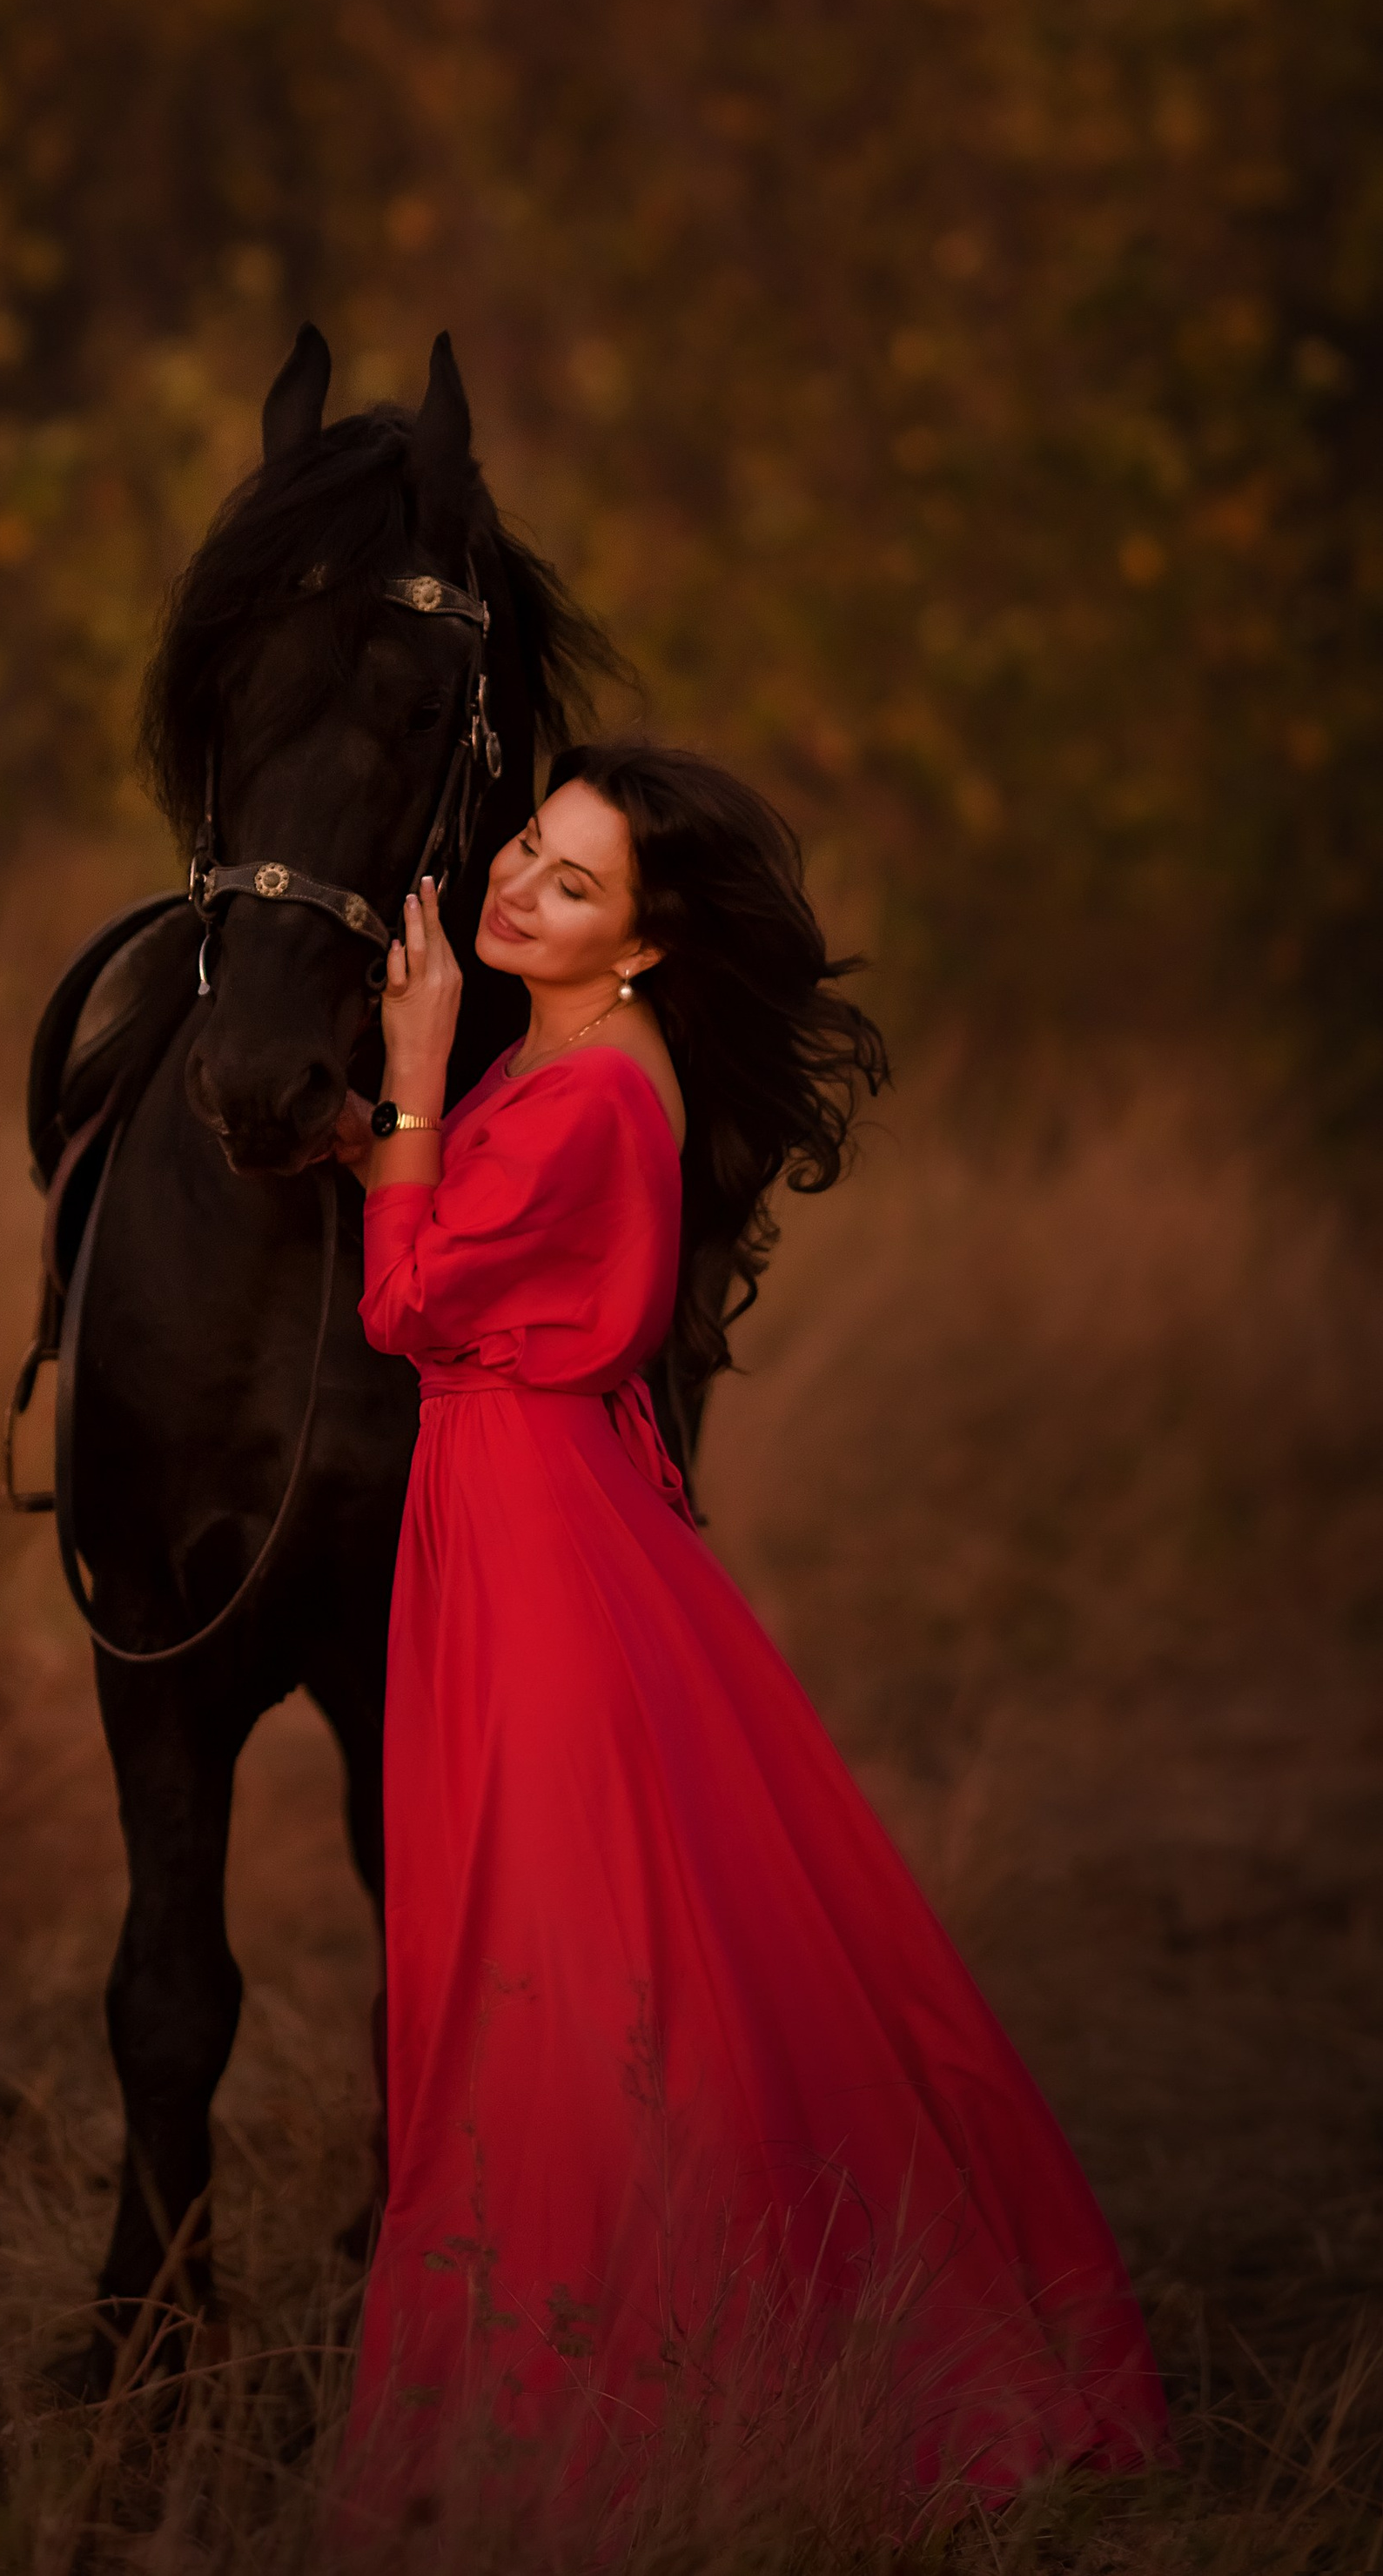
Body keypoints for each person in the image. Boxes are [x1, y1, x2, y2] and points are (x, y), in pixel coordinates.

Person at [333, 737, 1170, 2533]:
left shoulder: (570, 1089)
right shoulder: (569, 1051)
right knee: (608, 1945)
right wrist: (387, 1120)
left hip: (538, 1543)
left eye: (569, 883)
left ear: (636, 945)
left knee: (561, 1961)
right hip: (537, 1521)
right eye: (523, 847)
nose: (512, 885)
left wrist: (407, 1079)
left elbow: (407, 1303)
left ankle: (629, 2402)